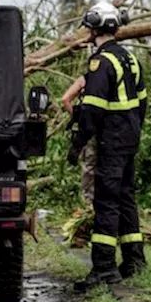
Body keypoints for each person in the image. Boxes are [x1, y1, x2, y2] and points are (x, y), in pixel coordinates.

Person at [68, 1, 147, 291]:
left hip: (111, 141)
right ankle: (134, 260)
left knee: (106, 199)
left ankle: (104, 268)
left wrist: (77, 144)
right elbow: (143, 103)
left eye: (88, 28)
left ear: (94, 28)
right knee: (126, 197)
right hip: (129, 139)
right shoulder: (131, 59)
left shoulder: (100, 62)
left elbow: (93, 109)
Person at [61, 76, 96, 206]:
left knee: (89, 165)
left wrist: (79, 118)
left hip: (87, 129)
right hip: (107, 129)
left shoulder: (85, 79)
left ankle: (88, 201)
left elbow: (65, 99)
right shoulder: (107, 78)